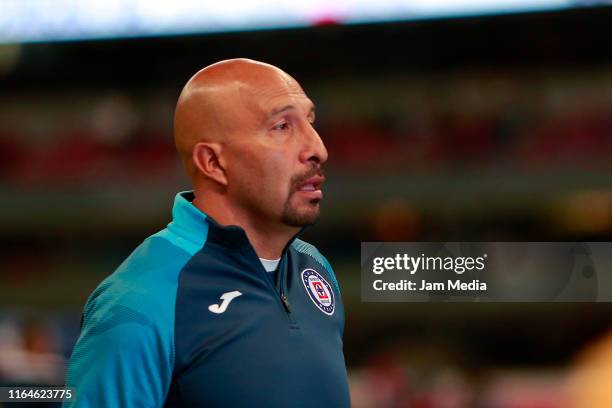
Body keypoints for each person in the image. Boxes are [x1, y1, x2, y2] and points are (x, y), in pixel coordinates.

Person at [64, 58, 350, 407]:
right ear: (213, 163)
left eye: (310, 121)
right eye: (281, 127)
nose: (318, 149)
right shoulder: (138, 301)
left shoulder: (314, 266)